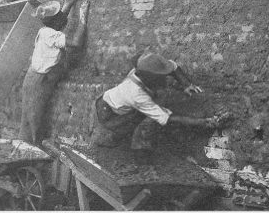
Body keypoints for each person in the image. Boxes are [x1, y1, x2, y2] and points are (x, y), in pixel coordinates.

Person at [91, 52, 229, 164]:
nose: (164, 80)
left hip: (122, 102)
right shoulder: (136, 94)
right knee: (141, 127)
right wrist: (206, 122)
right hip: (109, 113)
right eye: (160, 77)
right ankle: (140, 158)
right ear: (149, 77)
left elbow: (173, 68)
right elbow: (168, 118)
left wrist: (186, 84)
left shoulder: (147, 66)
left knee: (147, 115)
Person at [18, 0, 91, 144]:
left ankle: (29, 148)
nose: (64, 15)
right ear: (56, 21)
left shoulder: (52, 26)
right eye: (60, 15)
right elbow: (75, 43)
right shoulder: (49, 34)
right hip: (37, 82)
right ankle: (31, 152)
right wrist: (83, 19)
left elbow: (69, 0)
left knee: (31, 118)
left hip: (37, 77)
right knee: (33, 120)